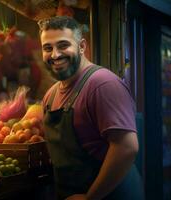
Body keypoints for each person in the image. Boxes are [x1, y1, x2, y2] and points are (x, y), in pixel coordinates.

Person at [38, 16, 144, 200]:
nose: (55, 55)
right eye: (48, 48)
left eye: (63, 45)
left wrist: (90, 198)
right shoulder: (50, 95)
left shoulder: (102, 84)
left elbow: (127, 147)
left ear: (82, 46)